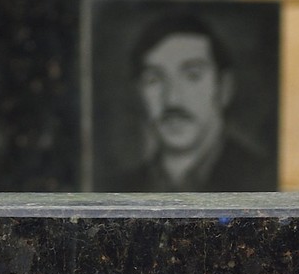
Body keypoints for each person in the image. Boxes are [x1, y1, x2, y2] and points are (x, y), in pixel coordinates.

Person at [116, 10, 271, 191]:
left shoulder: (265, 180)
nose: (172, 99)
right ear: (138, 92)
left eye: (192, 76)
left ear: (223, 88)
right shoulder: (120, 188)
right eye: (154, 79)